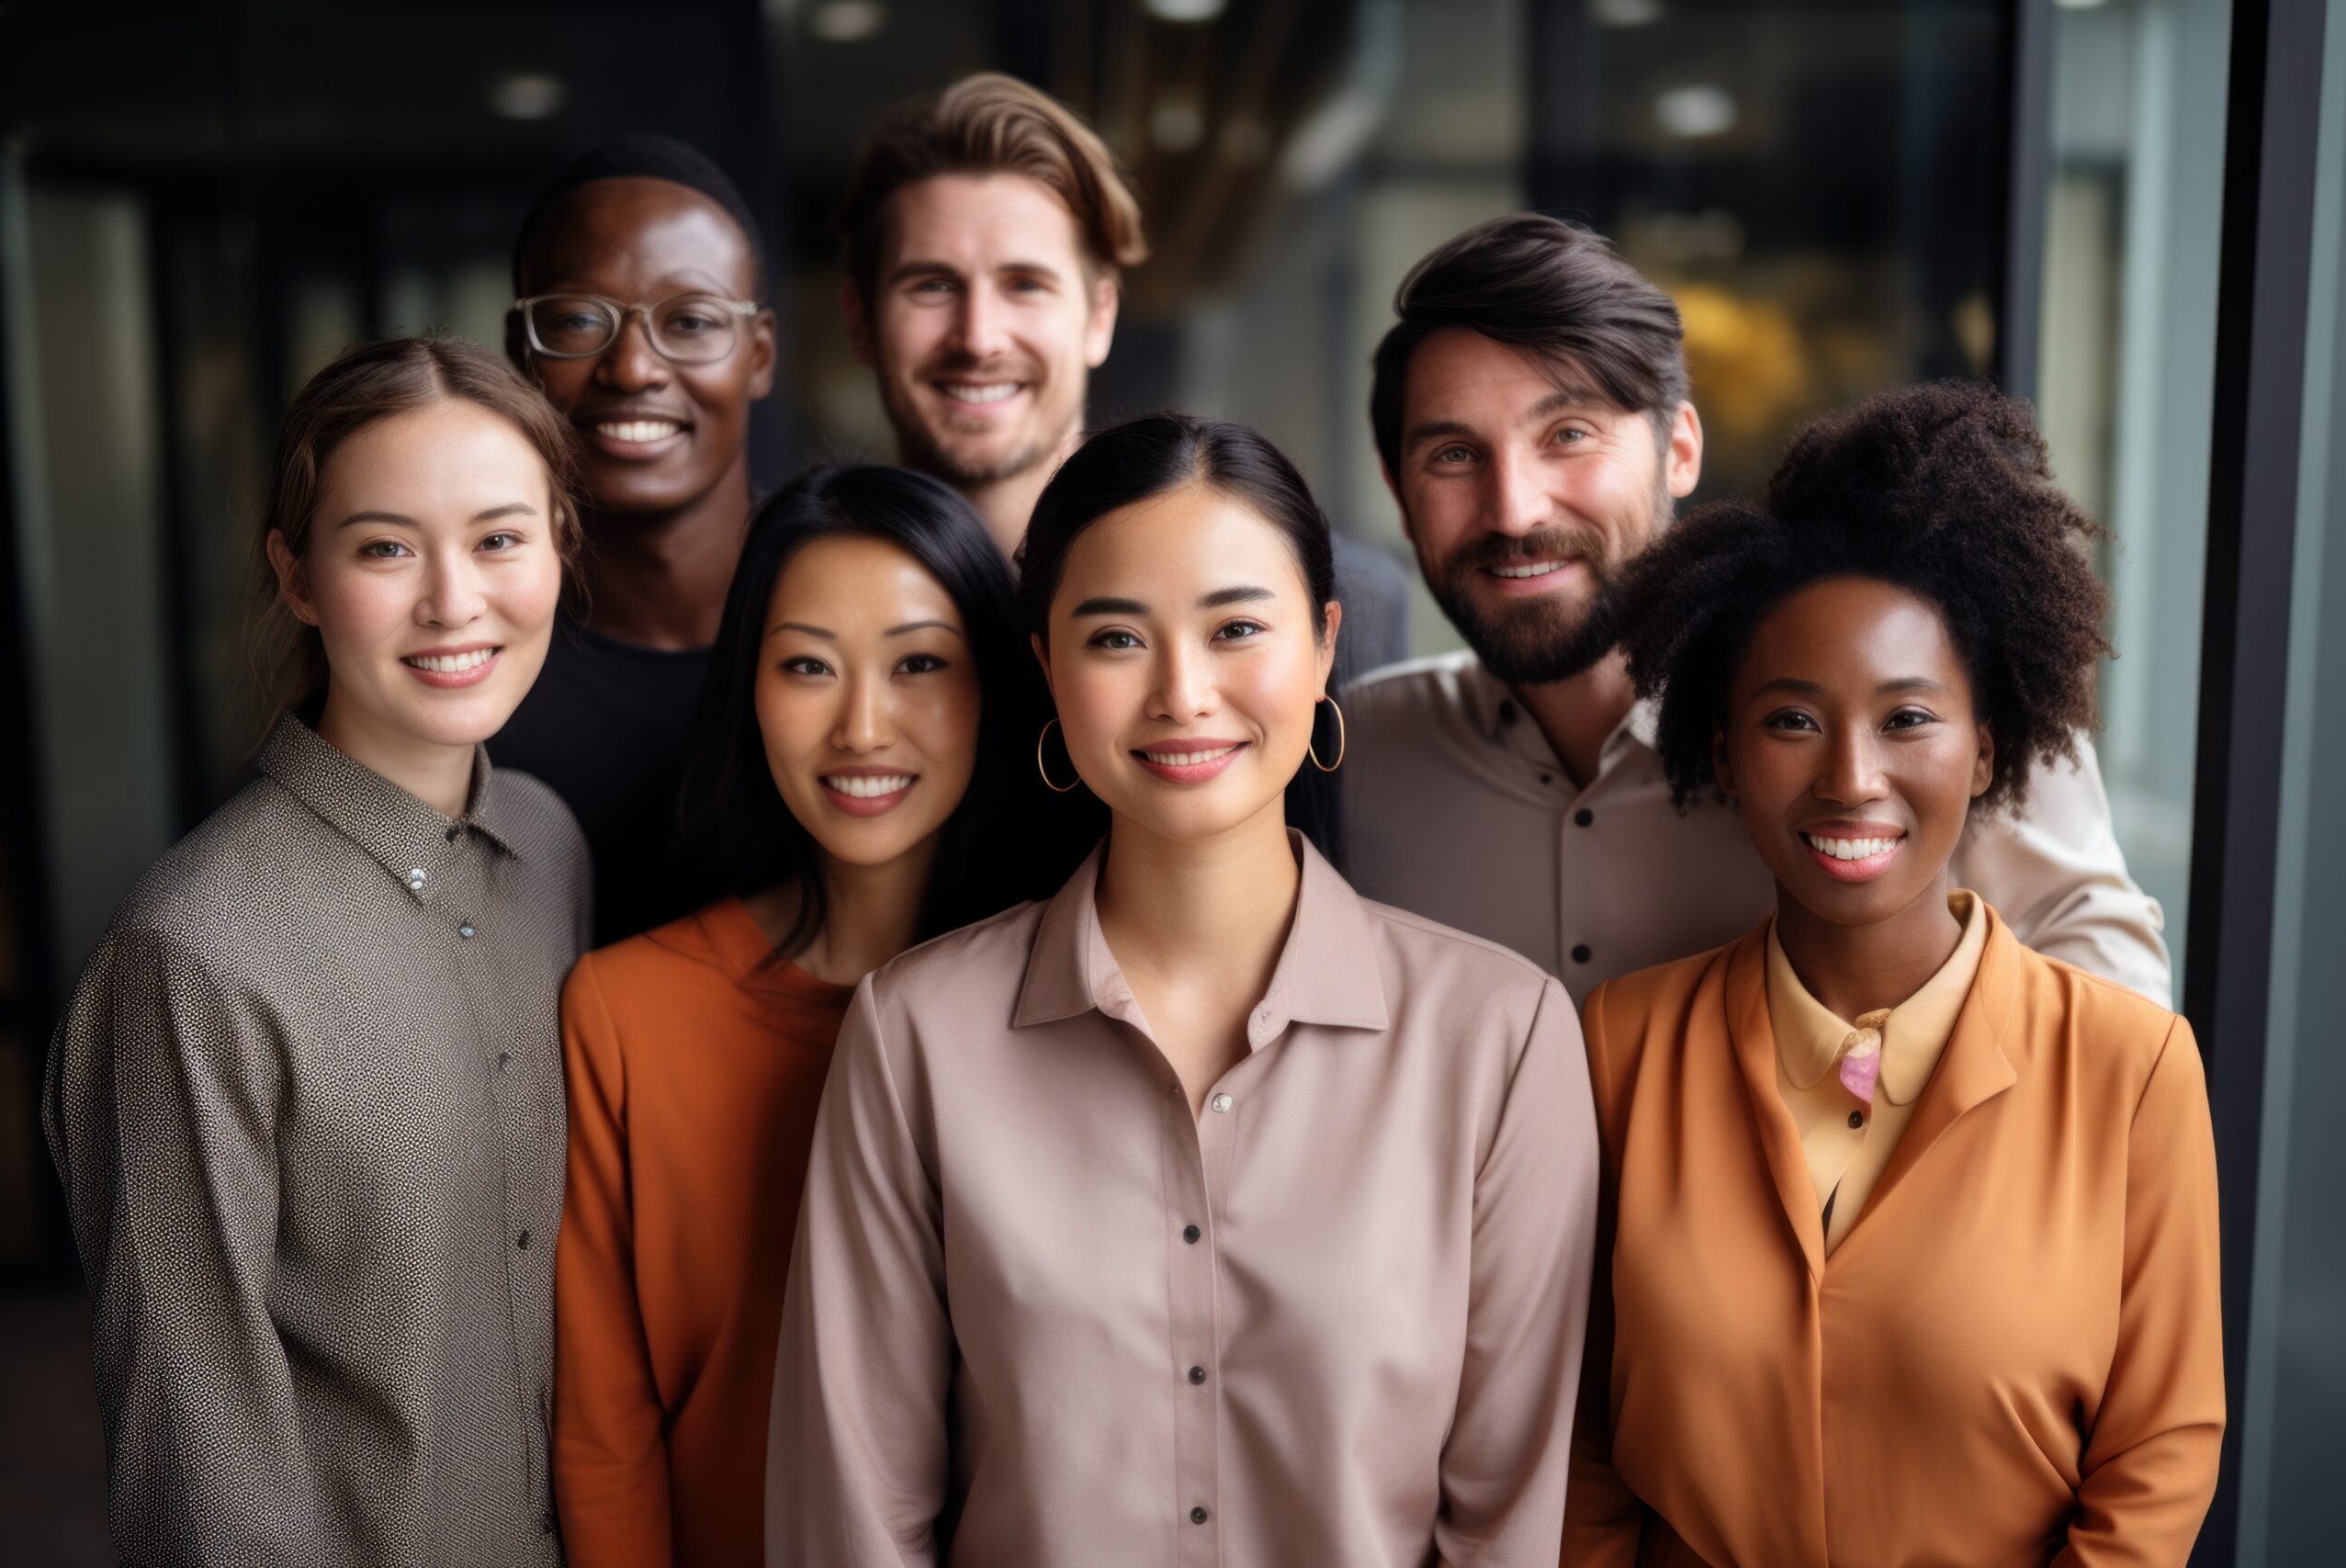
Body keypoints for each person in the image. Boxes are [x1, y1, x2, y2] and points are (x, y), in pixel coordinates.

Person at [764, 414, 1597, 1567]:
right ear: (1045, 662)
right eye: (1115, 639)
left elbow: (1505, 1521)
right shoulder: (916, 1036)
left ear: (1322, 646)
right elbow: (853, 1517)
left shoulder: (1499, 1042)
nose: (1181, 693)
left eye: (1237, 628)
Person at [1562, 381, 2223, 1564]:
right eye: (1792, 721)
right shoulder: (1619, 1044)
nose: (1851, 778)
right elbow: (1580, 1441)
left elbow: (2158, 1454)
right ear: (1723, 748)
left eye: (1908, 719)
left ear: (1988, 749)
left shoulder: (2132, 1070)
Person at [43, 335, 590, 1566]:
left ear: (559, 544)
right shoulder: (194, 951)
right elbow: (199, 1448)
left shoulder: (552, 850)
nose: (455, 601)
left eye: (500, 536)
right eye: (385, 546)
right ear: (296, 573)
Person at [1344, 213, 2172, 1001]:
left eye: (1569, 434)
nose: (1515, 510)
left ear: (1679, 450)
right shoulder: (1354, 756)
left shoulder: (1910, 689)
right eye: (1454, 454)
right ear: (1397, 489)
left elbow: (2110, 1013)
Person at [552, 465, 1086, 1568]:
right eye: (806, 665)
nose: (861, 725)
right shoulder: (626, 1013)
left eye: (919, 665)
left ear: (996, 682)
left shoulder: (1085, 996)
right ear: (747, 686)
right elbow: (608, 1436)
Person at [837, 72, 1414, 685]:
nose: (979, 337)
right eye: (933, 285)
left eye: (1025, 285)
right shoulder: (781, 598)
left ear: (1100, 316)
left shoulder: (1329, 598)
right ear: (862, 322)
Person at [497, 134, 778, 942]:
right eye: (579, 319)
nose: (631, 368)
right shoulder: (466, 653)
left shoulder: (864, 611)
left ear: (758, 356)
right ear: (523, 354)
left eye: (690, 320)